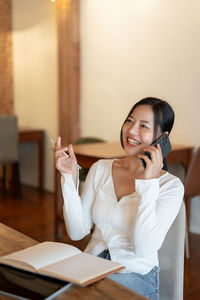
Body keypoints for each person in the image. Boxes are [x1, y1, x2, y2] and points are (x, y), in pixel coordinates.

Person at [54, 97, 184, 300]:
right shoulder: (101, 168)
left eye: (144, 126)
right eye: (130, 120)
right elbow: (77, 232)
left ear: (161, 138)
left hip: (136, 275)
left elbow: (143, 248)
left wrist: (147, 184)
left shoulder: (171, 187)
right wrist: (69, 178)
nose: (131, 131)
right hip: (91, 267)